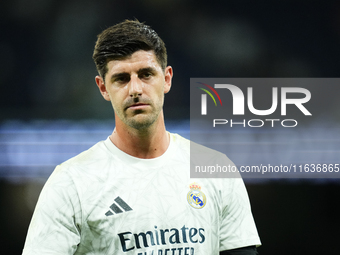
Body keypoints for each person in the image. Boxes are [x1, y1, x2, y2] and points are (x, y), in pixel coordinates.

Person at [22, 20, 261, 255]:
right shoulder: (70, 183)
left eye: (146, 74)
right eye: (121, 78)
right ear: (103, 88)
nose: (135, 89)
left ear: (166, 79)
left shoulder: (216, 169)